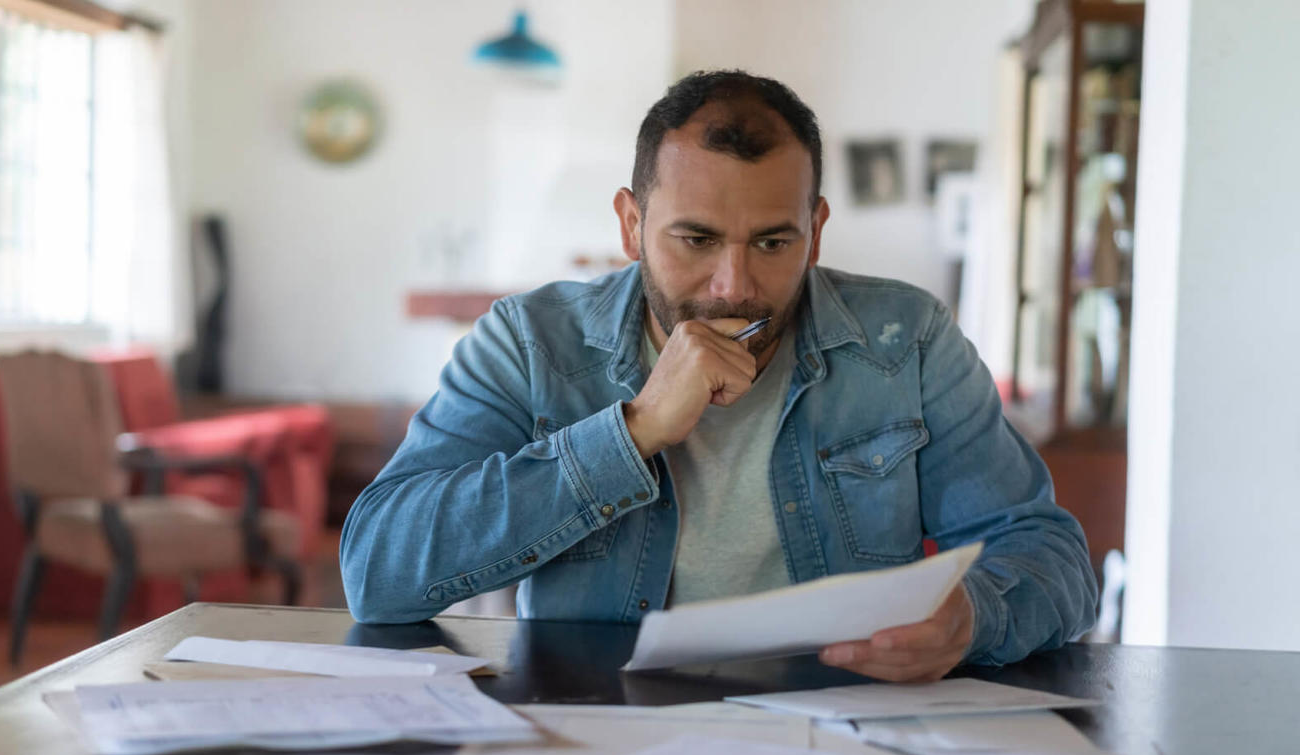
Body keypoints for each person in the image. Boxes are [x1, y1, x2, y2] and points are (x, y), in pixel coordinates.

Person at [342, 70, 1096, 682]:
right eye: (695, 239)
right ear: (630, 224)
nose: (733, 285)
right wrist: (633, 434)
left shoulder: (907, 339)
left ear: (817, 228)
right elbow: (378, 573)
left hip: (842, 732)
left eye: (773, 242)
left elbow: (1048, 553)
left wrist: (974, 617)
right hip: (601, 731)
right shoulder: (530, 342)